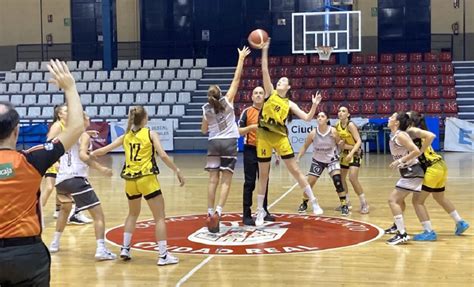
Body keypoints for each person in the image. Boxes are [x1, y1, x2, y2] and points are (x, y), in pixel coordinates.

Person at [0, 59, 84, 286]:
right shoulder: (31, 160)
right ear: (16, 131)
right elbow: (76, 127)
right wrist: (70, 87)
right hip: (27, 254)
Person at [92, 106, 185, 266]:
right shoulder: (150, 133)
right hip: (147, 179)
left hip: (130, 181)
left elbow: (103, 151)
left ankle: (125, 248)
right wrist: (176, 170)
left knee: (132, 214)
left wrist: (88, 155)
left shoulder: (125, 136)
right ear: (144, 119)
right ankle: (163, 256)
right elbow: (162, 154)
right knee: (160, 218)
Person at [255, 39, 322, 226]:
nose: (280, 81)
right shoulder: (270, 93)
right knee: (264, 175)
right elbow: (264, 70)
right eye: (280, 80)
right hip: (263, 138)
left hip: (281, 138)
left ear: (288, 87)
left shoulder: (289, 103)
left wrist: (315, 106)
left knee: (295, 170)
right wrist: (265, 50)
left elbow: (308, 118)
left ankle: (314, 202)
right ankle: (259, 211)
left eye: (284, 81)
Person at [384, 111, 469, 239]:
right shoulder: (411, 132)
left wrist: (419, 152)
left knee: (417, 201)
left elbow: (431, 136)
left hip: (431, 167)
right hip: (440, 165)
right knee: (439, 197)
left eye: (407, 116)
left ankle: (428, 231)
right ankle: (459, 221)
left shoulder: (411, 130)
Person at [48, 112, 117, 261]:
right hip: (76, 178)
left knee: (64, 211)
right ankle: (101, 249)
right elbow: (82, 156)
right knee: (98, 216)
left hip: (61, 180)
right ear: (82, 120)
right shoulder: (83, 135)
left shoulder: (67, 134)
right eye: (87, 117)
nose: (89, 119)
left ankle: (54, 243)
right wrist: (101, 168)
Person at [201, 46, 251, 232]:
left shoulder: (206, 109)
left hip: (213, 142)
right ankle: (218, 213)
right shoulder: (227, 101)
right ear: (220, 93)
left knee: (212, 179)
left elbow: (203, 129)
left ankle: (208, 212)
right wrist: (241, 58)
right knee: (226, 180)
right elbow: (237, 79)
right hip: (229, 141)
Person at [41, 104, 92, 225]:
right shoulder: (57, 125)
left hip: (62, 160)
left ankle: (59, 210)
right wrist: (54, 160)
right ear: (59, 114)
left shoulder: (67, 126)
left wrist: (87, 132)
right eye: (65, 111)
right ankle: (37, 213)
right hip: (54, 159)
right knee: (49, 188)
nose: (69, 113)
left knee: (61, 187)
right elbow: (48, 143)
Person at [295, 111, 346, 216]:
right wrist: (298, 157)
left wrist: (341, 143)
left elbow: (340, 145)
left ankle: (344, 204)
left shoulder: (333, 131)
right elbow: (305, 146)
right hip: (318, 160)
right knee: (310, 183)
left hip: (332, 160)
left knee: (337, 181)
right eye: (318, 116)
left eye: (322, 116)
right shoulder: (313, 133)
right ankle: (304, 202)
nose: (320, 118)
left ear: (327, 119)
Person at [239, 86, 275, 226]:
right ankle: (246, 214)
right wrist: (251, 128)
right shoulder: (246, 112)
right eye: (256, 93)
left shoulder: (269, 112)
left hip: (265, 150)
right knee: (249, 182)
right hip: (250, 150)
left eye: (261, 93)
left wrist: (276, 151)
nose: (259, 95)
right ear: (252, 97)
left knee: (264, 181)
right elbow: (239, 131)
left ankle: (264, 211)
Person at [386, 112, 424, 245]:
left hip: (413, 171)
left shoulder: (401, 135)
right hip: (408, 171)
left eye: (392, 117)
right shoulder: (395, 135)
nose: (389, 118)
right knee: (400, 201)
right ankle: (398, 226)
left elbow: (416, 151)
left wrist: (399, 161)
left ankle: (402, 234)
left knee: (393, 200)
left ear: (397, 122)